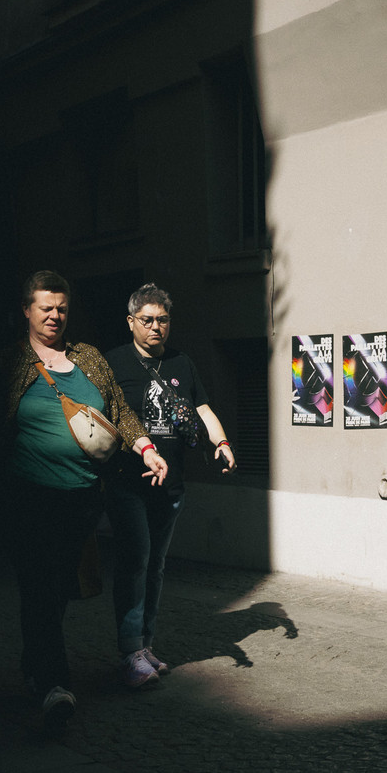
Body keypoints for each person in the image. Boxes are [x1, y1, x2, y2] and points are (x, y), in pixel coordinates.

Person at [0, 270, 168, 732]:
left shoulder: (88, 357)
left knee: (59, 590)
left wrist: (146, 449)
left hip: (82, 498)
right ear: (27, 311)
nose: (55, 315)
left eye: (61, 308)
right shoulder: (9, 363)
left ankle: (36, 664)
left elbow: (119, 410)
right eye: (45, 307)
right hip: (30, 498)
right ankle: (56, 685)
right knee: (41, 585)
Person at [103, 283, 236, 688]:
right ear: (131, 322)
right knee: (136, 560)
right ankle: (129, 652)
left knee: (156, 566)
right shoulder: (113, 363)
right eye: (147, 320)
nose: (156, 327)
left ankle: (144, 645)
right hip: (128, 482)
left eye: (163, 319)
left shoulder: (182, 363)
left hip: (171, 485)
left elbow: (202, 407)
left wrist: (222, 442)